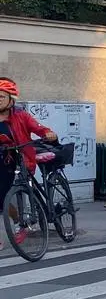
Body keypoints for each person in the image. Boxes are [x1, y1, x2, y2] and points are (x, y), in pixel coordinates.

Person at [0, 79, 57, 250]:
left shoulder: (21, 116)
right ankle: (19, 221)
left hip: (19, 159)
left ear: (11, 100)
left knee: (3, 197)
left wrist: (48, 133)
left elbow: (38, 128)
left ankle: (21, 221)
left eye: (1, 96)